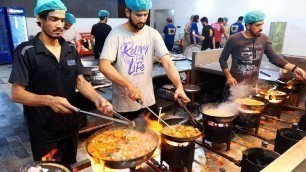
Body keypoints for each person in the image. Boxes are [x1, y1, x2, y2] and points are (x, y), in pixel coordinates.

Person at [9, 0, 112, 165]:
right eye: (53, 19)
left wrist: (97, 98)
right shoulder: (26, 51)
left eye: (62, 20)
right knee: (50, 168)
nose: (60, 25)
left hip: (70, 126)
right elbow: (17, 93)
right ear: (40, 19)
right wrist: (49, 100)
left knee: (70, 166)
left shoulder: (70, 50)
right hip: (44, 130)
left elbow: (80, 82)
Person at [99, 0, 190, 120]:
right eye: (138, 15)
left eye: (145, 14)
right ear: (127, 12)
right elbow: (104, 66)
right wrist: (129, 85)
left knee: (153, 137)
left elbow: (167, 63)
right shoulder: (116, 35)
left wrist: (179, 86)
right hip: (124, 106)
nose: (142, 19)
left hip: (148, 103)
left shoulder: (152, 34)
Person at [219, 10, 306, 100]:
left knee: (248, 112)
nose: (261, 28)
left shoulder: (264, 39)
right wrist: (229, 76)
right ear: (248, 25)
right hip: (235, 86)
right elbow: (222, 59)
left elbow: (274, 58)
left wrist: (294, 68)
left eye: (262, 24)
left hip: (251, 86)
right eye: (257, 25)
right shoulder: (234, 39)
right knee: (230, 112)